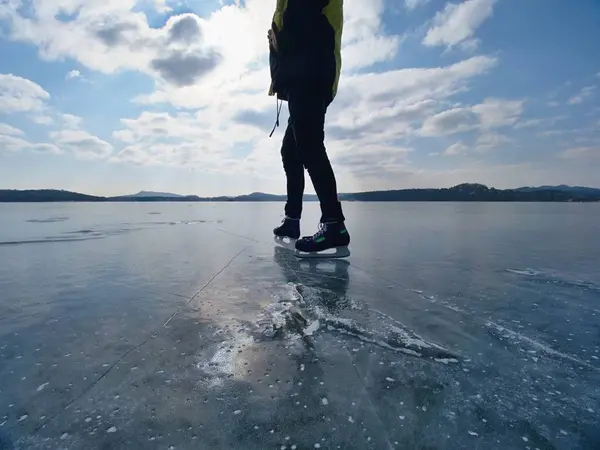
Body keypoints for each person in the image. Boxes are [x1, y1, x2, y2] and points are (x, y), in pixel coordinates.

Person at [267, 0, 350, 257]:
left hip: (310, 73)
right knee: (291, 151)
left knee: (309, 146)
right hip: (303, 75)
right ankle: (292, 220)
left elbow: (304, 22)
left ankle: (334, 225)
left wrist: (279, 42)